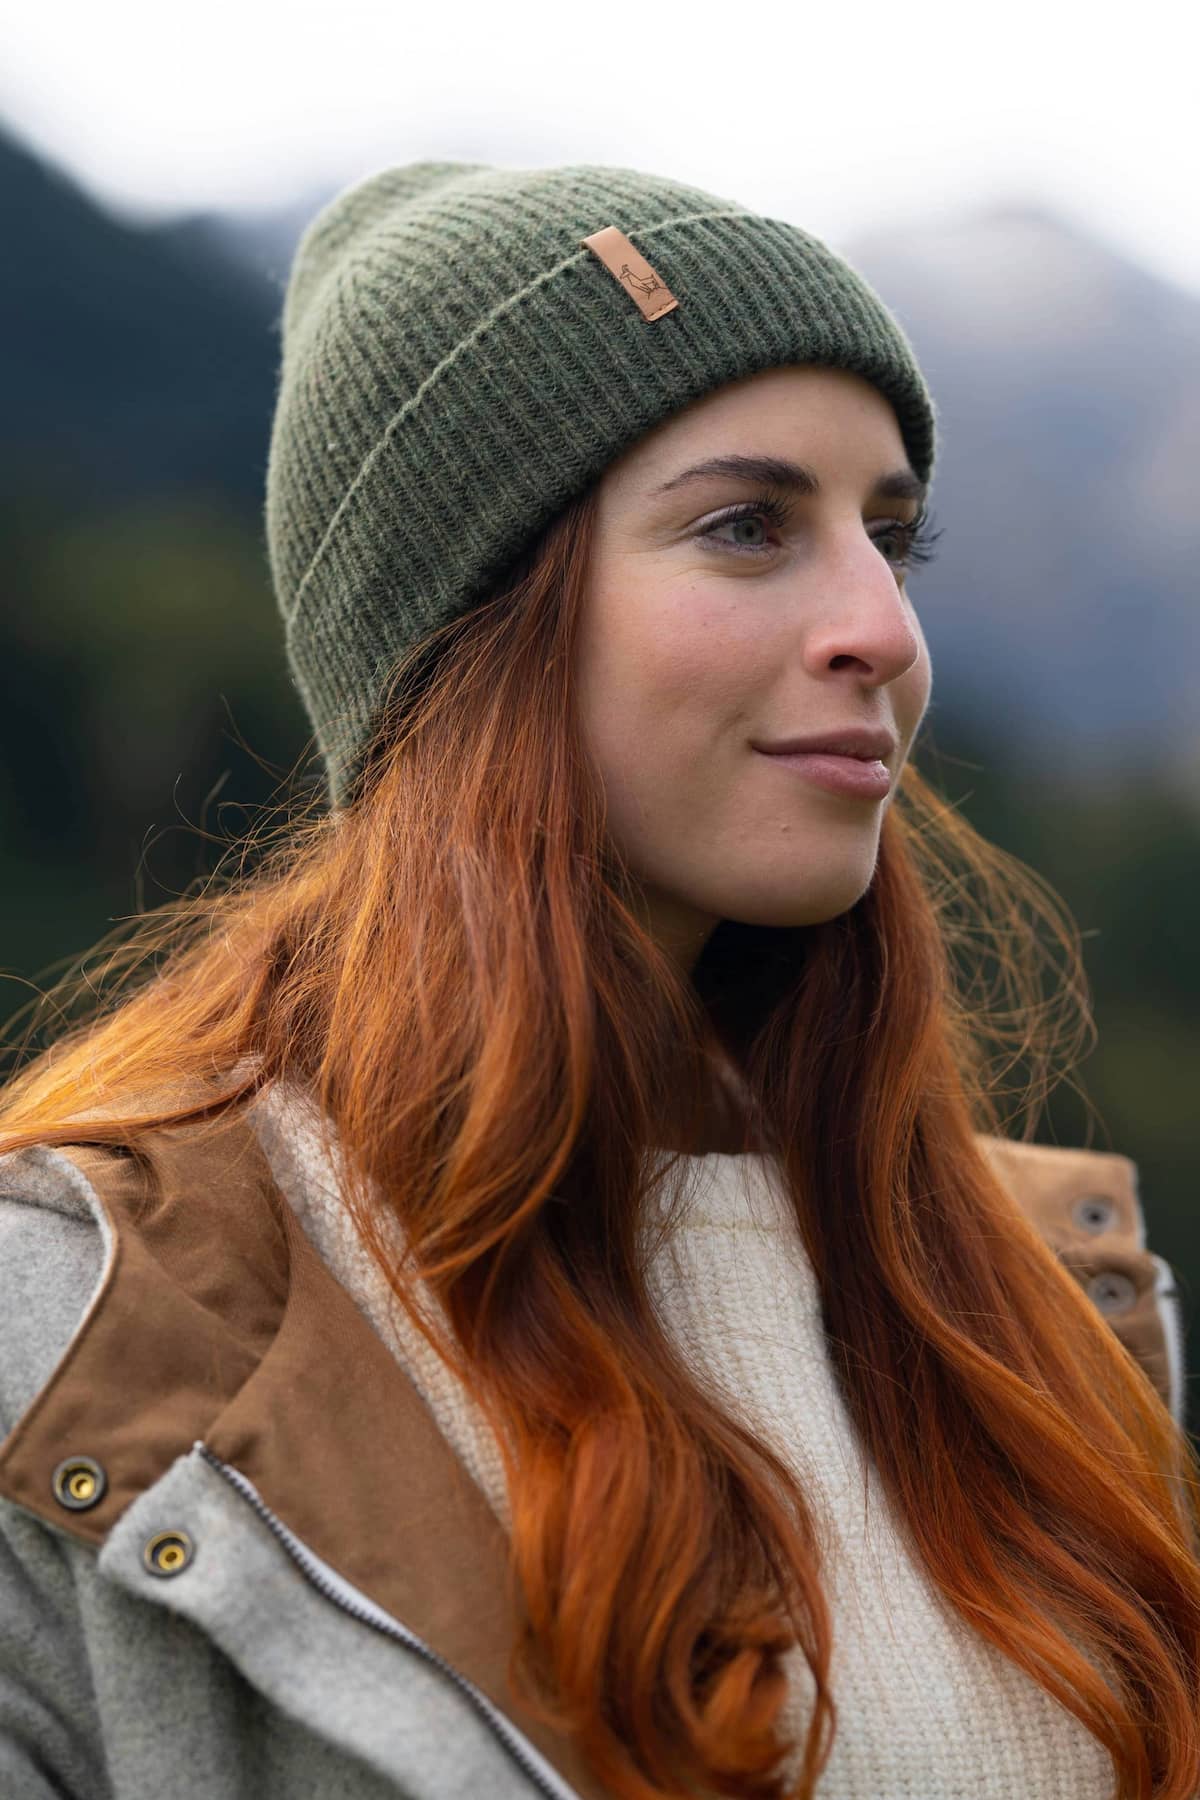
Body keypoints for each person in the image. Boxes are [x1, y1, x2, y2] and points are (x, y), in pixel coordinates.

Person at [0, 160, 1197, 1800]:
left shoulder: (1057, 1310)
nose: (883, 627)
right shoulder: (77, 1338)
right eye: (745, 527)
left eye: (893, 538)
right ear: (471, 629)